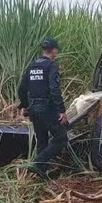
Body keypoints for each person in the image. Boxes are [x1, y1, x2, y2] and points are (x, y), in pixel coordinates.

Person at [18, 38, 68, 179]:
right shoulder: (51, 66)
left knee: (42, 141)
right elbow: (54, 89)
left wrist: (25, 106)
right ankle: (38, 163)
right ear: (54, 50)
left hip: (34, 109)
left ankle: (40, 175)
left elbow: (22, 89)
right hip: (47, 109)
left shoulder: (32, 66)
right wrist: (61, 110)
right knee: (61, 138)